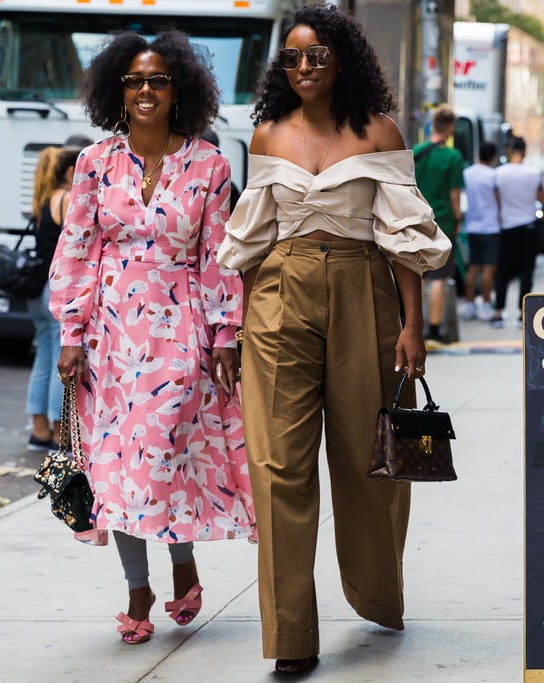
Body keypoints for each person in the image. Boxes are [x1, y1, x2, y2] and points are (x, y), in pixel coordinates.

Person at [218, 4, 451, 675]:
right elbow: (253, 240)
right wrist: (238, 326)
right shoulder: (267, 135)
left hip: (361, 290)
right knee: (278, 465)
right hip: (278, 296)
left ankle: (379, 592)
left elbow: (402, 236)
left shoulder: (379, 131)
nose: (304, 67)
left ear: (342, 57)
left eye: (316, 54)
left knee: (366, 459)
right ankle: (291, 636)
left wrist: (413, 325)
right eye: (292, 57)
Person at [50, 30, 256, 647]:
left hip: (181, 333)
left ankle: (183, 558)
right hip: (110, 341)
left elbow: (219, 256)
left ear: (178, 90)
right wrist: (71, 330)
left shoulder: (211, 166)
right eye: (135, 80)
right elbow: (78, 251)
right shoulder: (93, 164)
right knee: (120, 469)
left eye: (158, 80)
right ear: (118, 88)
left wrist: (224, 334)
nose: (146, 90)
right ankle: (139, 586)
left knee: (167, 455)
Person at [24, 142, 82, 452]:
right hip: (57, 289)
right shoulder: (69, 199)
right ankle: (60, 432)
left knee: (43, 359)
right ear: (71, 171)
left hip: (37, 290)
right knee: (60, 362)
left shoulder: (44, 199)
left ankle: (39, 429)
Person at [413, 105, 465, 343]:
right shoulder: (452, 157)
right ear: (450, 129)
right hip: (442, 222)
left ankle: (415, 329)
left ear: (433, 126)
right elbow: (455, 194)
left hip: (416, 221)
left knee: (419, 277)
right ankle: (434, 330)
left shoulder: (416, 152)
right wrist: (458, 219)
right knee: (438, 278)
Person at [488, 136, 544, 328]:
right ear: (525, 151)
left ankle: (498, 313)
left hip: (507, 227)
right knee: (526, 272)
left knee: (502, 272)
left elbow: (496, 200)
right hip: (528, 226)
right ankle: (523, 314)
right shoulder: (534, 173)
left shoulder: (499, 174)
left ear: (509, 151)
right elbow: (542, 198)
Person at [460, 142, 500, 321]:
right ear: (493, 157)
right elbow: (499, 200)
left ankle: (469, 306)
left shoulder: (467, 173)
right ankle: (485, 305)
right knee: (489, 270)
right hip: (491, 227)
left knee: (473, 267)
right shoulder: (493, 175)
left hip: (472, 226)